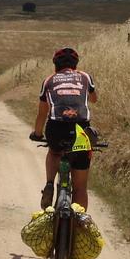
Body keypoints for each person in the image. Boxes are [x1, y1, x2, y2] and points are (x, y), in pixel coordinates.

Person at [31, 47, 97, 211]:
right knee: (80, 187)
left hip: (56, 128)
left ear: (55, 65)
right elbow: (94, 99)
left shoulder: (49, 80)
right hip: (81, 130)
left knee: (54, 151)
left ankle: (49, 184)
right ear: (75, 64)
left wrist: (37, 134)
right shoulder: (85, 77)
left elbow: (42, 113)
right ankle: (80, 222)